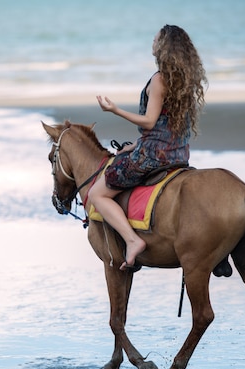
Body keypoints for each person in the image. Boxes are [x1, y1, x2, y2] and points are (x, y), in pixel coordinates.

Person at [88, 24, 207, 271]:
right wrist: (136, 144)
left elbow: (150, 121)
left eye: (156, 39)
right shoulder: (182, 80)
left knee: (96, 194)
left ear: (163, 47)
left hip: (153, 157)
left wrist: (115, 110)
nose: (152, 42)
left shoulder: (159, 79)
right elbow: (165, 126)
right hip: (178, 154)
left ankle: (133, 241)